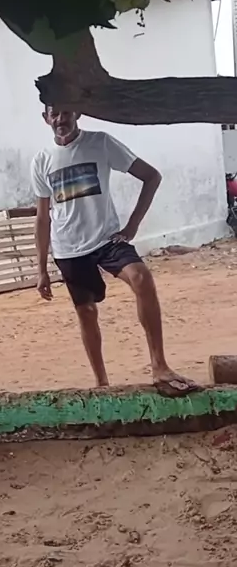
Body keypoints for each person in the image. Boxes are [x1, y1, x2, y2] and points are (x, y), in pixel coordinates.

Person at [31, 106, 198, 397]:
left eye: (66, 112)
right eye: (54, 114)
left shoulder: (101, 143)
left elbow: (151, 176)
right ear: (46, 119)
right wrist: (41, 269)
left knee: (141, 277)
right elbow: (43, 217)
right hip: (69, 248)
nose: (60, 119)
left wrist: (132, 226)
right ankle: (102, 385)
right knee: (86, 312)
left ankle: (159, 366)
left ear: (77, 113)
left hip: (107, 240)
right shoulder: (41, 160)